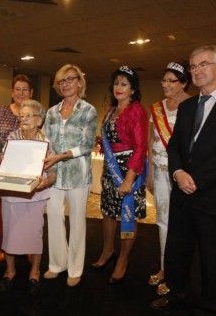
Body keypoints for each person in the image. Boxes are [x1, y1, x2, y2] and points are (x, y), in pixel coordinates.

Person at [151, 45, 216, 314]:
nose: (196, 70)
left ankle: (210, 306)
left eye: (203, 64)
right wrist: (177, 172)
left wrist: (196, 179)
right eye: (193, 66)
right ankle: (177, 297)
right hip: (182, 196)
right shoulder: (187, 107)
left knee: (212, 260)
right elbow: (174, 146)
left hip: (213, 197)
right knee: (177, 254)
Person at [91, 66, 148, 285]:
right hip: (110, 169)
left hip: (128, 171)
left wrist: (129, 178)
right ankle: (107, 251)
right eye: (116, 83)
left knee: (127, 214)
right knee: (107, 211)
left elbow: (141, 147)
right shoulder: (110, 110)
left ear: (133, 89)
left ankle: (123, 259)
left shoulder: (137, 111)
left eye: (124, 84)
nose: (119, 87)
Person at [42, 64, 97, 287]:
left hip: (78, 175)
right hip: (54, 175)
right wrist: (46, 156)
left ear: (79, 83)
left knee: (77, 222)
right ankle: (57, 264)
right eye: (62, 81)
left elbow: (87, 144)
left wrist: (60, 156)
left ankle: (75, 268)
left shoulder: (88, 110)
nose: (66, 84)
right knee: (53, 218)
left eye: (70, 79)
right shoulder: (51, 112)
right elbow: (45, 140)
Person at [0, 99, 56, 295]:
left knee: (35, 233)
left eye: (29, 116)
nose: (24, 120)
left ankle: (35, 270)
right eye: (21, 116)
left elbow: (54, 172)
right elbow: (4, 166)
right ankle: (10, 269)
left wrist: (46, 182)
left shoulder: (46, 141)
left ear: (39, 120)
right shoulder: (12, 138)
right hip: (12, 194)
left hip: (35, 194)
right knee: (10, 232)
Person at [146, 62, 191, 295]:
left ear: (184, 82)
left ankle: (178, 272)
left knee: (181, 224)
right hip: (160, 171)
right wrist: (150, 173)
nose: (165, 85)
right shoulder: (156, 108)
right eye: (163, 80)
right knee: (162, 221)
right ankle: (165, 269)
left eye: (171, 80)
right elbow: (150, 144)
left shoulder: (194, 106)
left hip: (182, 174)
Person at [0, 74, 34, 263]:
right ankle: (3, 247)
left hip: (28, 170)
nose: (21, 93)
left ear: (31, 93)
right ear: (12, 92)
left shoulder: (35, 114)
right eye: (17, 89)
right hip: (5, 170)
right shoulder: (0, 111)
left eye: (25, 89)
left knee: (26, 211)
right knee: (5, 211)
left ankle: (25, 246)